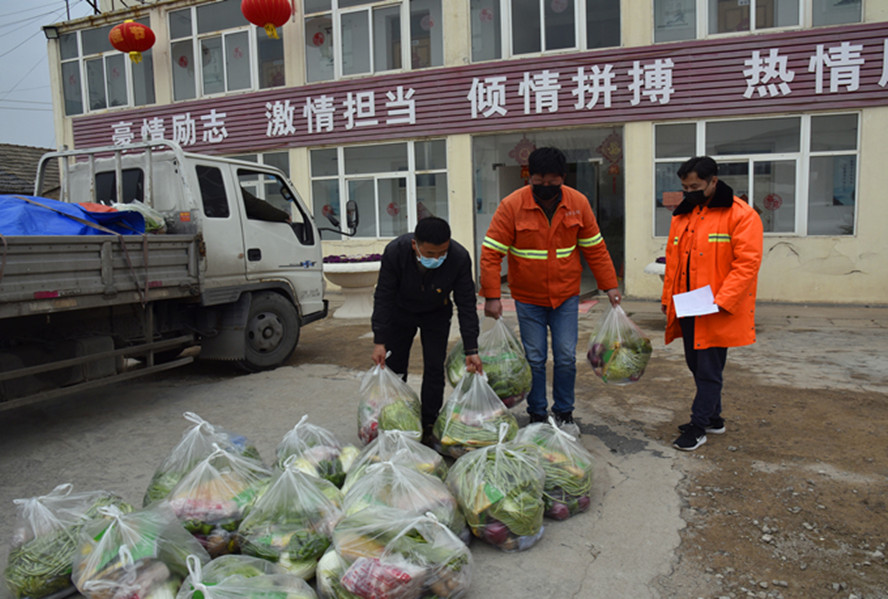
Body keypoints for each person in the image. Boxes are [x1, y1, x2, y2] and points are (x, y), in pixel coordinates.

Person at [480, 147, 620, 437]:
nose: (545, 187)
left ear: (563, 178)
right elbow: (491, 252)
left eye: (552, 182)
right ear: (529, 177)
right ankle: (537, 414)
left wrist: (610, 285)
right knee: (535, 358)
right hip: (528, 298)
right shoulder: (512, 205)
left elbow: (595, 248)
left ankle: (565, 413)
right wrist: (492, 295)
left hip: (565, 296)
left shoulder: (577, 203)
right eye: (539, 181)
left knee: (566, 356)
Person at [662, 156, 763, 451]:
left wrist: (722, 301)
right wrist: (667, 298)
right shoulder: (684, 214)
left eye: (695, 187)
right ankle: (714, 418)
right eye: (685, 187)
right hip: (688, 305)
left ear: (713, 181)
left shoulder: (741, 215)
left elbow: (747, 264)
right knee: (695, 364)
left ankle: (699, 426)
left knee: (708, 369)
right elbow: (673, 261)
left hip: (716, 307)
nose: (689, 192)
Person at [371, 217, 483, 442]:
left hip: (436, 314)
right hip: (400, 312)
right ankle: (396, 419)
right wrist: (379, 340)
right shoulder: (396, 252)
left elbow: (467, 304)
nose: (437, 258)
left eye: (443, 253)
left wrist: (471, 348)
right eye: (430, 253)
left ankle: (429, 422)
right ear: (415, 245)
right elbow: (383, 295)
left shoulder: (459, 258)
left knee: (434, 367)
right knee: (395, 368)